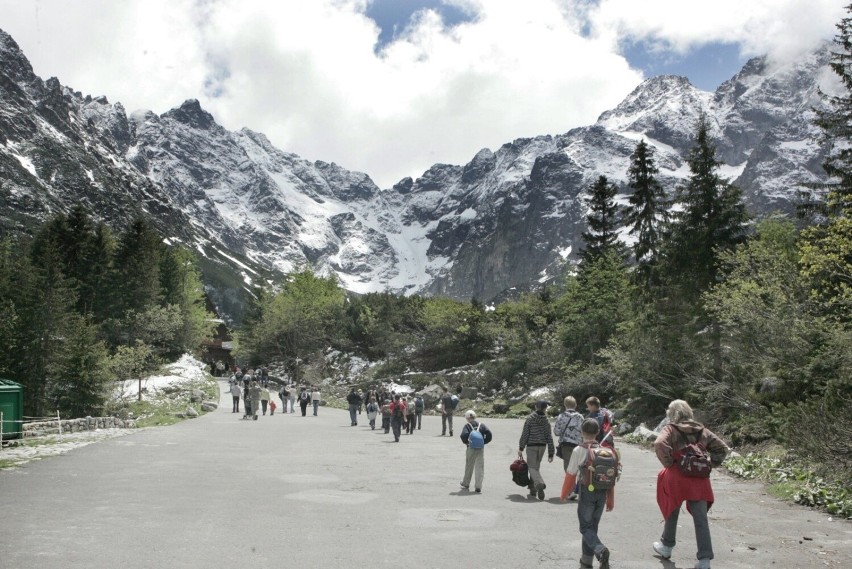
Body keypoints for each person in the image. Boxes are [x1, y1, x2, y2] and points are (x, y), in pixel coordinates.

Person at [653, 400, 729, 569]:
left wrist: (669, 462)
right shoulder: (703, 431)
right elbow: (723, 449)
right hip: (699, 478)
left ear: (672, 414)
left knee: (672, 511)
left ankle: (666, 547)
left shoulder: (671, 429)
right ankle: (704, 560)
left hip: (677, 477)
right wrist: (710, 464)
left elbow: (659, 444)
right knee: (701, 518)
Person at [561, 419, 617, 569]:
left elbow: (571, 474)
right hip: (602, 494)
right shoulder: (606, 451)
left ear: (581, 432)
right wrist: (610, 500)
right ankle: (586, 561)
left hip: (587, 492)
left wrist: (564, 494)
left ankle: (600, 550)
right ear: (598, 432)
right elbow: (611, 479)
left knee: (585, 528)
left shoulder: (579, 450)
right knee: (592, 528)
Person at [518, 400, 554, 500]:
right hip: (542, 446)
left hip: (531, 445)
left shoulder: (530, 418)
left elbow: (525, 434)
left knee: (532, 467)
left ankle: (539, 483)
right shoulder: (546, 420)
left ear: (536, 407)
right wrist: (551, 452)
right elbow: (549, 437)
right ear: (545, 408)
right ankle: (533, 489)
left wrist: (521, 447)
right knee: (536, 468)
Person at [554, 396, 584, 500]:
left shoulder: (561, 416)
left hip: (566, 444)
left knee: (568, 468)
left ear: (565, 405)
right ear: (575, 405)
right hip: (578, 445)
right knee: (579, 467)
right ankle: (579, 489)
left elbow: (556, 432)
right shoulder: (580, 417)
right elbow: (583, 430)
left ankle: (571, 491)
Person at [459, 410, 493, 493]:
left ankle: (466, 483)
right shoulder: (482, 425)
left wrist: (467, 442)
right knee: (479, 467)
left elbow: (463, 435)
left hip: (471, 448)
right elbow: (489, 435)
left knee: (469, 466)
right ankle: (478, 486)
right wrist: (483, 442)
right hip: (480, 448)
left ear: (467, 418)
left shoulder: (467, 426)